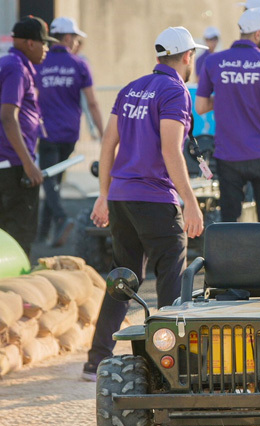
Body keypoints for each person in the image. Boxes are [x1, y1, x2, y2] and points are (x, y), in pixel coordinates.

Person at [83, 26, 206, 380]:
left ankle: (97, 358)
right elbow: (171, 150)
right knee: (171, 274)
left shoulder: (131, 87)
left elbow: (108, 145)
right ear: (187, 57)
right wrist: (191, 202)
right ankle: (167, 361)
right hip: (154, 197)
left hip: (121, 197)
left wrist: (104, 194)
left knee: (124, 277)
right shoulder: (175, 91)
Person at [196, 8, 260, 223]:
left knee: (231, 220)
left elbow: (201, 106)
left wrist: (225, 95)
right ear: (258, 34)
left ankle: (233, 258)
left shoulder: (213, 61)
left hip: (229, 154)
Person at [0, 17, 53, 257]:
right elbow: (7, 116)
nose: (47, 49)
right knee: (19, 234)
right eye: (44, 43)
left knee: (1, 229)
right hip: (14, 164)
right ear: (29, 43)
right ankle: (16, 289)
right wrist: (28, 163)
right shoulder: (16, 68)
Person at [36, 17, 104, 247]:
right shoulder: (79, 64)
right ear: (67, 38)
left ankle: (58, 220)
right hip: (69, 133)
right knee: (52, 180)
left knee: (49, 180)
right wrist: (104, 133)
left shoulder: (39, 63)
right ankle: (46, 232)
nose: (76, 42)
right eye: (75, 38)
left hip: (45, 131)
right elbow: (92, 103)